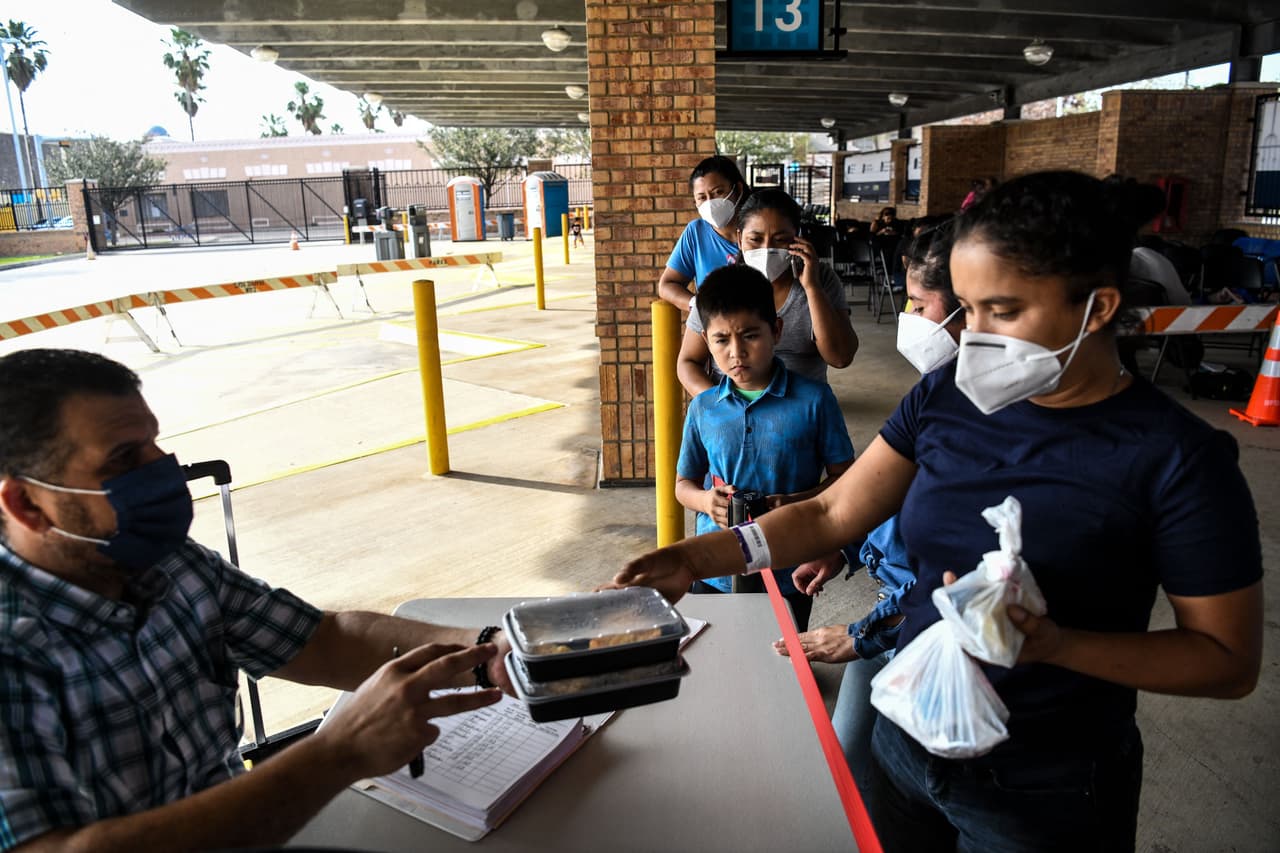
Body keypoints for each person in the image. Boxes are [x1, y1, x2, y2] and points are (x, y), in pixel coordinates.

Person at [614, 171, 1262, 852]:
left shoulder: (1177, 458)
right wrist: (694, 556)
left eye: (1001, 311)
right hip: (907, 744)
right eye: (965, 309)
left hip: (1046, 787)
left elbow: (1225, 659)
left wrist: (1059, 644)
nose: (973, 336)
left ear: (1098, 309)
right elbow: (832, 510)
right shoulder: (944, 399)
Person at [0, 348, 515, 851]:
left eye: (154, 444)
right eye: (124, 459)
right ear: (26, 503)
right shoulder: (14, 648)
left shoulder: (168, 564)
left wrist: (491, 652)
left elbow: (322, 640)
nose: (163, 470)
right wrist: (339, 754)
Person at [773, 221, 963, 791]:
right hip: (892, 614)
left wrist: (860, 637)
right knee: (852, 769)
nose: (909, 318)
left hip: (925, 631)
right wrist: (845, 549)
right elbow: (852, 508)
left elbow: (961, 581)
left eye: (920, 304)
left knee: (917, 782)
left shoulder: (1001, 428)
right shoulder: (936, 394)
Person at [676, 267, 854, 632]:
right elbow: (683, 484)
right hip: (715, 569)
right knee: (717, 658)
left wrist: (794, 503)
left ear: (776, 330)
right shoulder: (703, 407)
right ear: (706, 342)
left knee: (781, 666)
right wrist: (707, 501)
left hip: (790, 569)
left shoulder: (814, 401)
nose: (736, 352)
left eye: (750, 336)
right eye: (721, 340)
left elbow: (845, 479)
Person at [677, 189, 858, 396]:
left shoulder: (821, 279)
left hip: (802, 411)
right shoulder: (720, 286)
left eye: (780, 239)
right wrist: (719, 407)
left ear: (797, 237)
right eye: (755, 239)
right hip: (735, 414)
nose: (767, 249)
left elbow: (840, 357)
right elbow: (688, 362)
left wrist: (812, 287)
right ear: (739, 237)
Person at [657, 155, 750, 312]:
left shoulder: (762, 230)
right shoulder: (696, 232)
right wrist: (698, 305)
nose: (710, 202)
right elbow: (667, 285)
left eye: (718, 192)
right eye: (702, 197)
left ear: (738, 189)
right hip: (714, 331)